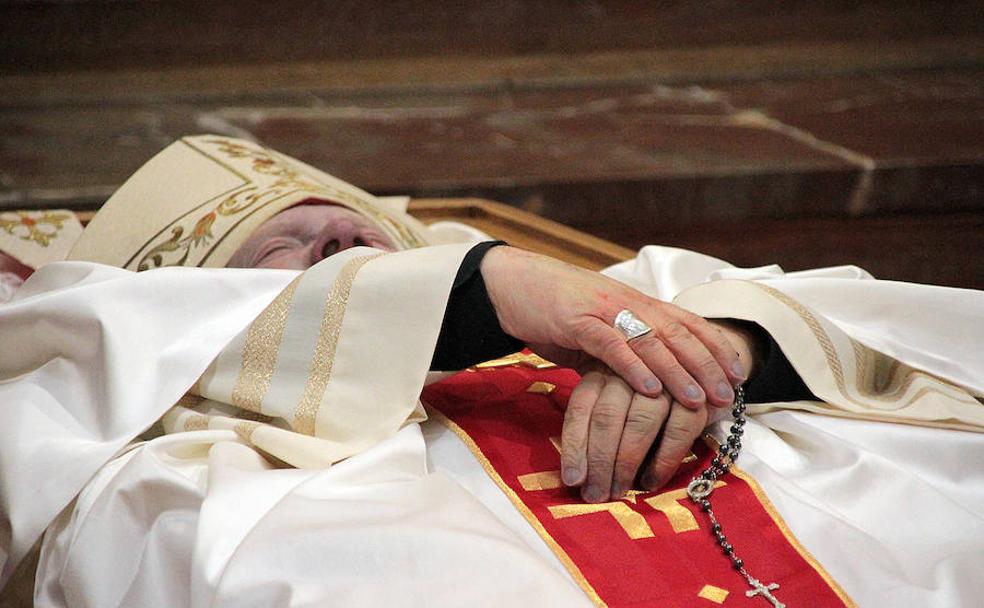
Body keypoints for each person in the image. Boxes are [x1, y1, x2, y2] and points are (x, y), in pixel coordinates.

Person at [0, 136, 981, 607]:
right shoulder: (170, 450)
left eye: (348, 221)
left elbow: (890, 324)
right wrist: (478, 284)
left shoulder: (613, 291)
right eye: (282, 249)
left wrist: (727, 348)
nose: (340, 233)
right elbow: (83, 342)